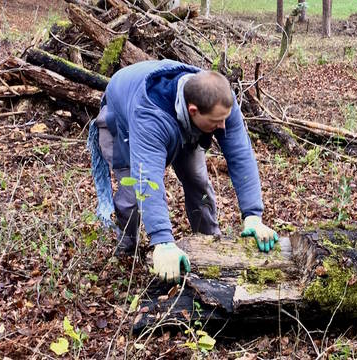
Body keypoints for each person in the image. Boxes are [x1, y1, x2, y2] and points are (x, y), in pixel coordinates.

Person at [87, 60, 278, 283]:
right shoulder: (149, 116)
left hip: (182, 125)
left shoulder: (219, 100)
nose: (223, 127)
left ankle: (209, 244)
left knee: (198, 180)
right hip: (123, 121)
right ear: (193, 111)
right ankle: (127, 252)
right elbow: (147, 177)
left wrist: (253, 216)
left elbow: (240, 155)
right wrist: (163, 241)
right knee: (131, 196)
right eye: (217, 122)